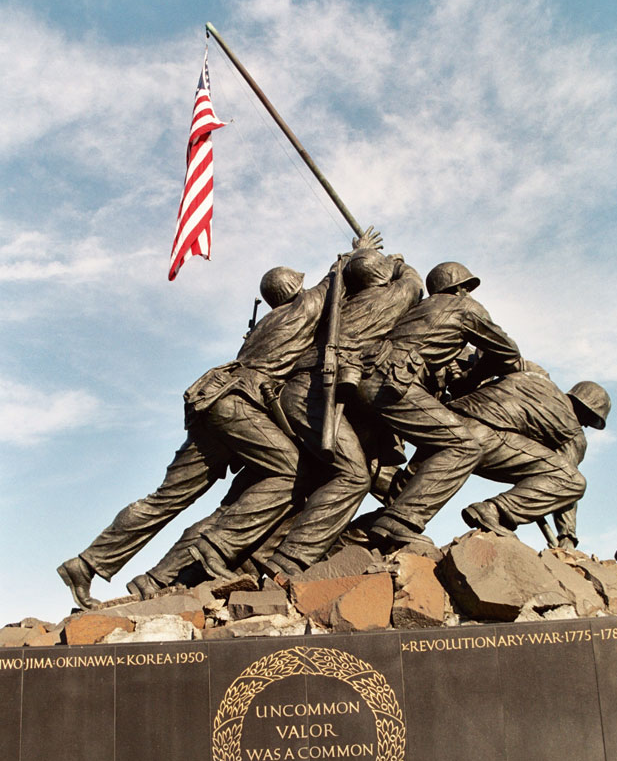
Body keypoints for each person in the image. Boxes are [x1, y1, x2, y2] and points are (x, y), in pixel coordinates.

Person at [56, 258, 334, 609]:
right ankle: (217, 545)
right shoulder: (303, 307)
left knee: (165, 499)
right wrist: (357, 253)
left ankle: (86, 564)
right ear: (294, 289)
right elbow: (334, 281)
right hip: (238, 406)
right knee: (291, 471)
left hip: (212, 402)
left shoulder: (267, 322)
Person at [220, 246, 425, 577]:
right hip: (315, 393)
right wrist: (399, 261)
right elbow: (413, 283)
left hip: (296, 395)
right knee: (352, 475)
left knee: (321, 477)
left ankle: (247, 557)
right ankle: (286, 565)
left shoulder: (332, 310)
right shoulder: (387, 300)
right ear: (382, 276)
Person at [350, 262, 522, 552]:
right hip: (393, 381)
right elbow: (509, 354)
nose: (468, 293)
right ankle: (400, 522)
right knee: (464, 446)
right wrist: (474, 377)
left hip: (364, 379)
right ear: (459, 288)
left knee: (355, 471)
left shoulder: (419, 310)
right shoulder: (465, 308)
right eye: (466, 288)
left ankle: (341, 542)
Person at [447, 370, 611, 544]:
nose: (586, 425)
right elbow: (565, 483)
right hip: (485, 440)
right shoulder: (572, 430)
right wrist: (567, 535)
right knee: (573, 481)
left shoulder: (537, 383)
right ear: (586, 411)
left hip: (448, 421)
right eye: (591, 420)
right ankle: (494, 510)